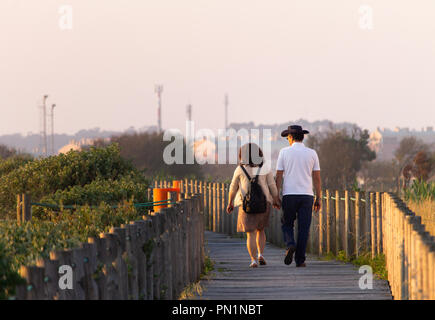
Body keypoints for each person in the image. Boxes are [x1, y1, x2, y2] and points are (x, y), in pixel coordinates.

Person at [227, 143, 281, 268]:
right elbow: (272, 185)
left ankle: (253, 260)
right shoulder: (265, 167)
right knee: (260, 231)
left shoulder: (240, 169)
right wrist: (276, 199)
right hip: (264, 203)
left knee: (250, 233)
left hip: (246, 205)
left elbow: (233, 187)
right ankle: (261, 254)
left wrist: (230, 202)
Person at [276, 125, 322, 267]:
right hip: (307, 195)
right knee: (304, 228)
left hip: (289, 194)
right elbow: (317, 178)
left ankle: (290, 244)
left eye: (287, 137)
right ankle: (300, 260)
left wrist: (275, 195)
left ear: (290, 137)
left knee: (287, 224)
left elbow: (278, 176)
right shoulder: (312, 153)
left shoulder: (284, 152)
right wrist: (318, 197)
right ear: (302, 137)